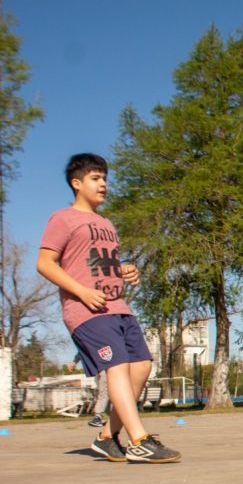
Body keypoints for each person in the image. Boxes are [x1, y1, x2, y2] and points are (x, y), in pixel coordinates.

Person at [37, 153, 181, 463]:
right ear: (77, 183)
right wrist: (80, 291)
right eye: (95, 178)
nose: (103, 184)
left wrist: (125, 270)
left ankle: (106, 437)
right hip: (85, 309)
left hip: (118, 306)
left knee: (142, 366)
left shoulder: (106, 223)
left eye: (105, 178)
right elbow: (44, 263)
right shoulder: (63, 218)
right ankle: (139, 439)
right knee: (117, 367)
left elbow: (101, 264)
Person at [66, 353, 110, 427]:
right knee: (106, 394)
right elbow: (84, 348)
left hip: (106, 368)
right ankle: (114, 417)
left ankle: (98, 417)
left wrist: (74, 362)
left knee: (105, 393)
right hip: (99, 369)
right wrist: (75, 361)